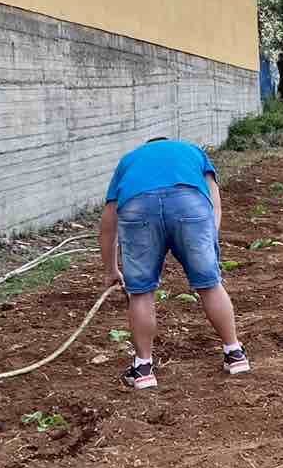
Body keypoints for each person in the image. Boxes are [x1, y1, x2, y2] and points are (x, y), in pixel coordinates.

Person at [99, 135, 247, 388]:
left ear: (146, 146)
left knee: (141, 293)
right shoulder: (192, 152)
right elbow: (214, 200)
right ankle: (235, 354)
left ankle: (143, 368)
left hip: (138, 208)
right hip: (189, 204)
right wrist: (208, 239)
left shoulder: (129, 160)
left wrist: (111, 269)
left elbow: (108, 224)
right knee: (210, 284)